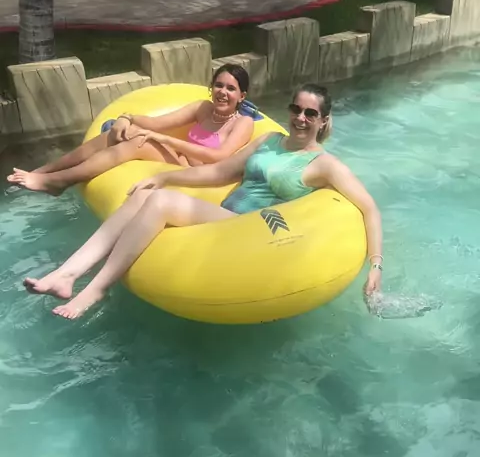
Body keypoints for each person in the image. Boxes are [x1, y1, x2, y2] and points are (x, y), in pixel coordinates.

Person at [24, 83, 383, 320]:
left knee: (161, 203)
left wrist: (375, 265)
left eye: (310, 114)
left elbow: (368, 207)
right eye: (296, 109)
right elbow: (220, 172)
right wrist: (165, 176)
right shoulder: (269, 140)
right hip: (223, 215)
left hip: (252, 230)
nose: (300, 118)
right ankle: (67, 274)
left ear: (323, 121)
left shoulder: (324, 165)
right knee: (146, 194)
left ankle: (96, 290)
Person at [6, 64, 254, 195]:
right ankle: (44, 171)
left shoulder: (243, 122)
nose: (222, 92)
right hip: (180, 159)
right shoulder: (203, 108)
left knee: (140, 142)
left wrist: (165, 141)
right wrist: (126, 118)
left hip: (199, 174)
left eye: (230, 88)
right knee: (118, 133)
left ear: (242, 96)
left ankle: (59, 181)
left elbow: (219, 157)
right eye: (219, 85)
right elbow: (158, 123)